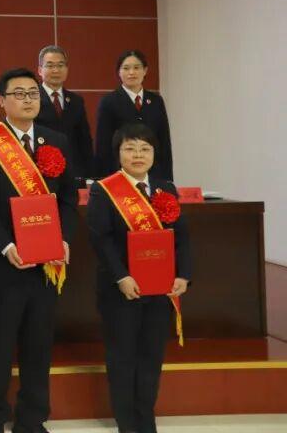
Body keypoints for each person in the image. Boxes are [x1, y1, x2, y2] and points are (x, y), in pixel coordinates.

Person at [0, 68, 78, 433]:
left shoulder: (56, 141)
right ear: (2, 101)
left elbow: (68, 198)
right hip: (4, 264)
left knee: (38, 346)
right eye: (19, 93)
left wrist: (63, 239)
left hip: (46, 263)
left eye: (33, 93)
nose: (28, 99)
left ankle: (32, 418)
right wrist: (5, 244)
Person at [88, 123, 192, 433]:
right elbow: (101, 239)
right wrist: (121, 276)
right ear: (118, 153)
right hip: (121, 290)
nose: (138, 155)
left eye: (145, 149)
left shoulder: (165, 189)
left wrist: (183, 275)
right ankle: (127, 424)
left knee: (150, 358)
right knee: (122, 358)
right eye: (130, 148)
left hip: (160, 290)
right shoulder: (104, 190)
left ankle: (146, 421)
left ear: (154, 154)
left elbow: (182, 238)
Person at [95, 50, 173, 181]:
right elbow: (103, 145)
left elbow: (164, 141)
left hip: (153, 174)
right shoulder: (109, 101)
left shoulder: (156, 101)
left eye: (137, 68)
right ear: (119, 72)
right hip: (120, 174)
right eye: (126, 68)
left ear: (145, 70)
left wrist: (167, 180)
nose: (131, 72)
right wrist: (107, 179)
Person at [34, 45, 94, 186]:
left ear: (67, 69)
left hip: (73, 173)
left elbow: (84, 141)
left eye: (60, 65)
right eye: (50, 65)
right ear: (40, 70)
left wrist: (89, 174)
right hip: (41, 171)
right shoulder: (32, 98)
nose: (56, 70)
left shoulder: (76, 100)